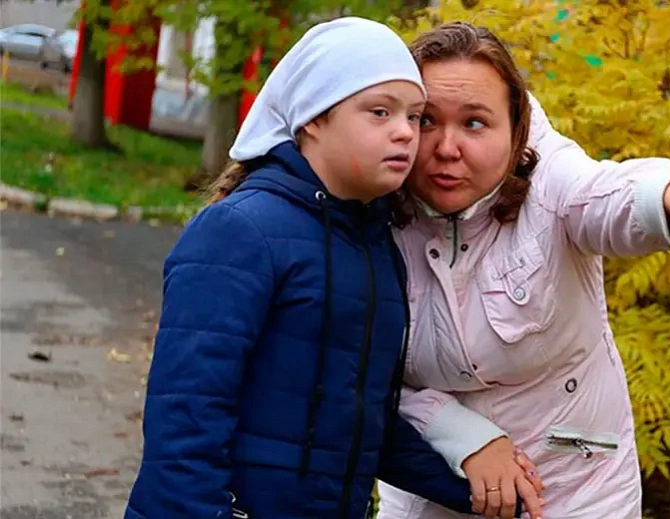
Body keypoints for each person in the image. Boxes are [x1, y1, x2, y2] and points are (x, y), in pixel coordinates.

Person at [124, 17, 533, 519]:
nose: (405, 133)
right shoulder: (239, 231)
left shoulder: (374, 243)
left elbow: (361, 425)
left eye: (414, 115)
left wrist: (480, 492)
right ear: (313, 119)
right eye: (379, 112)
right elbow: (185, 418)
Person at [377, 22, 670, 519]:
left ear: (515, 128)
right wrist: (461, 435)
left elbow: (610, 195)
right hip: (431, 489)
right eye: (427, 121)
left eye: (475, 123)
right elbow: (351, 370)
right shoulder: (367, 213)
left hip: (576, 486)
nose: (447, 148)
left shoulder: (551, 183)